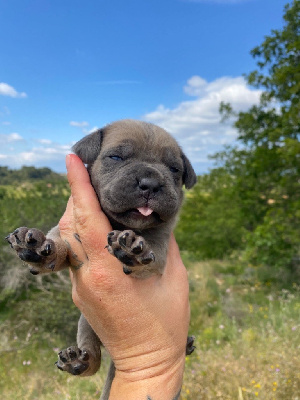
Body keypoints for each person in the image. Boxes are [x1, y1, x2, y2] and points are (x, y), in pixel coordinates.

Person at [59, 154, 191, 400]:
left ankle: (88, 358)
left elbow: (157, 266)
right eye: (118, 157)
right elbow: (60, 245)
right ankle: (87, 356)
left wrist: (153, 361)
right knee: (88, 315)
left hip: (158, 316)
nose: (151, 182)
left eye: (173, 169)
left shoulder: (157, 231)